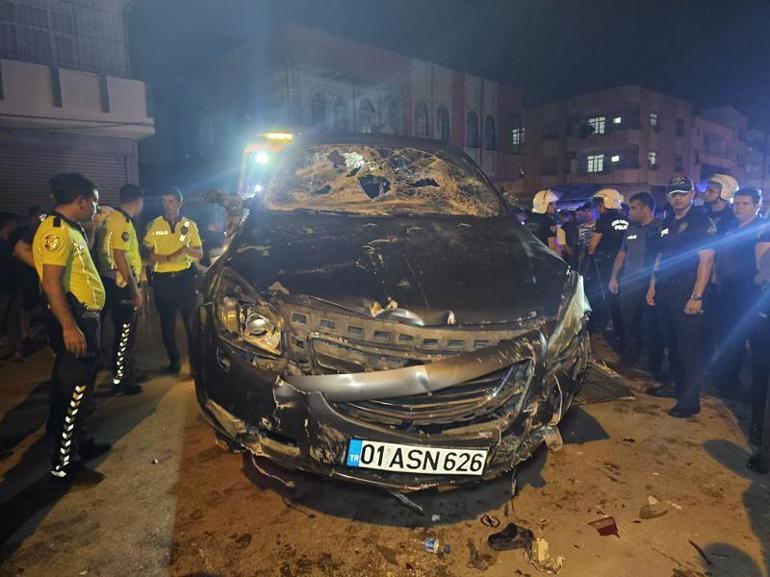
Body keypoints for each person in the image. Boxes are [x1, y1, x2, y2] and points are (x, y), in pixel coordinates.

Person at [33, 173, 110, 485]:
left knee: (81, 388)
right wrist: (68, 325)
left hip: (84, 318)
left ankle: (80, 441)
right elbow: (51, 282)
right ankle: (64, 463)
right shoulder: (55, 231)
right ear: (81, 200)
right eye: (93, 201)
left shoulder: (69, 229)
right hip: (76, 319)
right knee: (73, 392)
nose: (95, 207)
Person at [646, 176, 716, 418]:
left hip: (686, 291)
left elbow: (706, 261)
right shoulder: (667, 222)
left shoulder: (700, 221)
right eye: (674, 193)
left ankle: (690, 401)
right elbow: (661, 257)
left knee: (688, 349)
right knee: (672, 346)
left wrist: (696, 296)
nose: (678, 197)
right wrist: (652, 285)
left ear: (692, 194)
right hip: (665, 289)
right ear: (668, 197)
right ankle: (678, 389)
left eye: (683, 193)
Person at [712, 187, 766, 399]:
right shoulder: (729, 226)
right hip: (726, 291)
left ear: (757, 205)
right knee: (728, 335)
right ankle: (729, 380)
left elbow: (763, 266)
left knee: (754, 340)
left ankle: (757, 389)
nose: (739, 208)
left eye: (745, 204)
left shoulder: (762, 229)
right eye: (736, 204)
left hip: (750, 293)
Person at [143, 187, 203, 375]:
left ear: (180, 203)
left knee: (191, 324)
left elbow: (199, 253)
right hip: (163, 281)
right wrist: (166, 258)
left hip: (185, 279)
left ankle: (195, 365)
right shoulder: (153, 225)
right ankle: (174, 362)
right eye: (164, 201)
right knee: (167, 325)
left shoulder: (190, 225)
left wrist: (186, 251)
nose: (167, 206)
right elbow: (146, 253)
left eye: (171, 201)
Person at [96, 184, 145, 395]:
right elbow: (119, 255)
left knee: (117, 332)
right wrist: (135, 290)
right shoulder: (123, 222)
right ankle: (122, 379)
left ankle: (124, 372)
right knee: (125, 333)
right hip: (121, 283)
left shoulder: (111, 218)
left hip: (109, 280)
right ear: (138, 201)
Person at [608, 192, 663, 373]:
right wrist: (614, 277)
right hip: (630, 282)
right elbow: (622, 253)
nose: (629, 211)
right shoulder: (631, 229)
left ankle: (653, 363)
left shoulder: (662, 229)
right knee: (629, 321)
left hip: (651, 283)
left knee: (652, 326)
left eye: (633, 208)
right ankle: (630, 356)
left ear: (646, 209)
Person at [586, 188, 629, 338]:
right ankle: (621, 327)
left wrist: (588, 249)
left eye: (600, 204)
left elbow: (592, 247)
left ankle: (606, 325)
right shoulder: (627, 219)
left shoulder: (603, 220)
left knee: (603, 294)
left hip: (605, 263)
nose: (598, 208)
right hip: (625, 262)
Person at [525, 189, 560, 254]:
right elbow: (553, 247)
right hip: (545, 259)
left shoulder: (527, 221)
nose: (555, 207)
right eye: (553, 204)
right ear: (546, 205)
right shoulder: (549, 222)